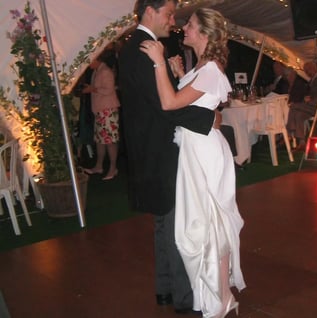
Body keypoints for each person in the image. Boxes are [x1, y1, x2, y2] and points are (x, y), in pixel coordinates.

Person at [141, 7, 246, 317]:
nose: (183, 27)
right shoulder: (202, 66)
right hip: (193, 149)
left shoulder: (211, 69)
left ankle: (220, 298)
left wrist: (159, 61)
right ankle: (210, 292)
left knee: (210, 224)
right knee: (199, 224)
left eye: (190, 24)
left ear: (203, 34)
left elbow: (170, 103)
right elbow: (191, 103)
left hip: (204, 153)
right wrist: (175, 73)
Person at [117, 0, 217, 314]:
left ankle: (165, 289)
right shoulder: (145, 49)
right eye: (168, 13)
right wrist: (209, 120)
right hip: (161, 150)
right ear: (150, 11)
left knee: (165, 221)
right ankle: (184, 298)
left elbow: (162, 99)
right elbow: (165, 105)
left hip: (151, 148)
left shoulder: (136, 47)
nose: (173, 21)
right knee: (177, 224)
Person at [82, 50, 120, 180]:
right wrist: (91, 88)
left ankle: (113, 167)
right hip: (100, 110)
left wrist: (92, 89)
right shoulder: (97, 71)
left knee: (110, 140)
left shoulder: (105, 71)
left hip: (108, 110)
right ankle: (99, 166)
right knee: (100, 140)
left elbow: (109, 89)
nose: (88, 65)